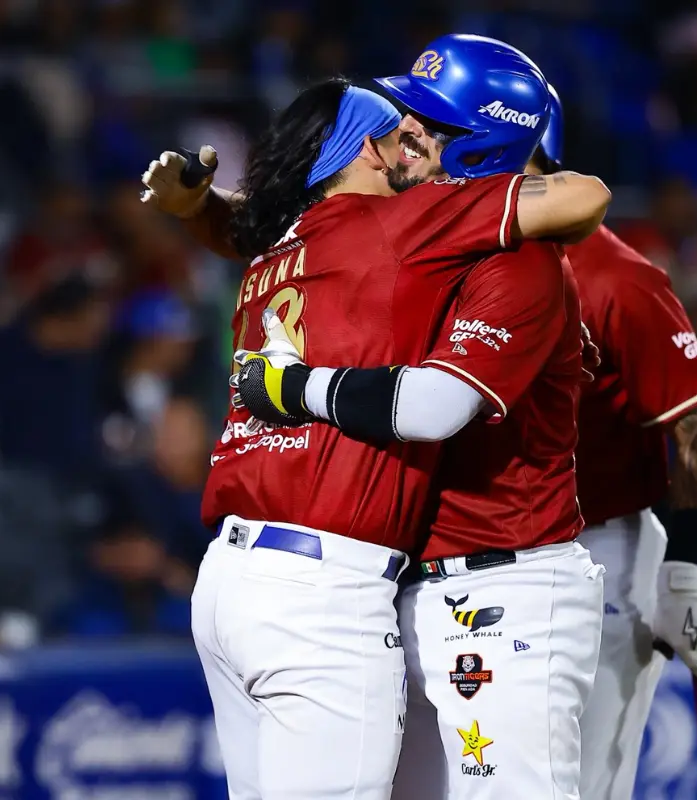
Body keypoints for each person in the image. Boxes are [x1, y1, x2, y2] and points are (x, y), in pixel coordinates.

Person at [143, 50, 610, 800]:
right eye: (401, 128)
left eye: (426, 123)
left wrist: (295, 387)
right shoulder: (399, 225)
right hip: (347, 583)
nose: (411, 135)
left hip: (493, 589)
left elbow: (435, 405)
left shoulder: (317, 243)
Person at [530, 86, 697, 799]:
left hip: (599, 550)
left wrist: (682, 568)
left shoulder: (614, 276)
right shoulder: (448, 256)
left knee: (577, 785)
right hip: (477, 557)